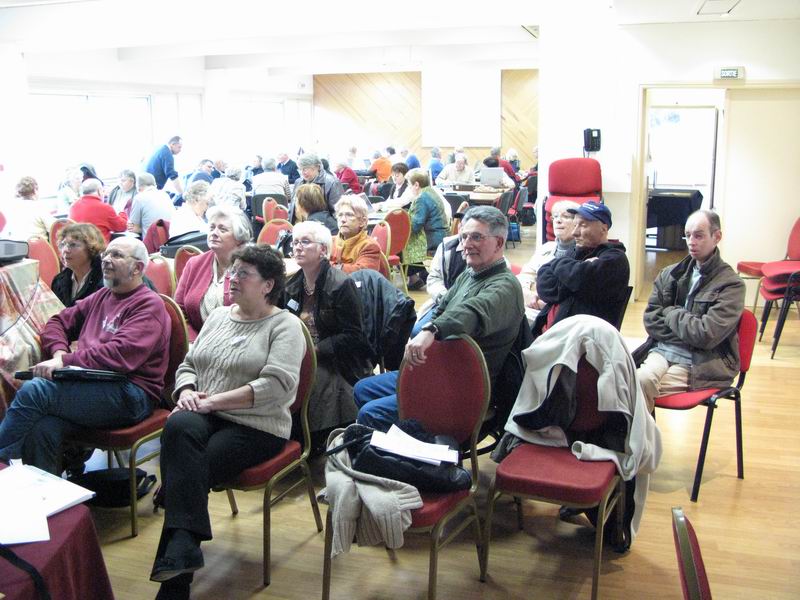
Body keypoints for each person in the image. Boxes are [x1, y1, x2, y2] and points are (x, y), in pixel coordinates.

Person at [150, 244, 305, 598]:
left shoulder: (285, 325)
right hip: (207, 413)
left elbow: (276, 386)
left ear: (268, 285)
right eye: (232, 272)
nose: (232, 279)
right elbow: (189, 365)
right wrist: (186, 391)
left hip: (258, 426)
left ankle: (174, 585)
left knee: (186, 470)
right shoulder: (219, 316)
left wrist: (212, 402)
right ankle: (183, 550)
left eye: (243, 274)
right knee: (177, 425)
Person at [0, 237, 169, 475]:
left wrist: (65, 361)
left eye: (117, 255)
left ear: (137, 268)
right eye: (106, 254)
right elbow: (57, 322)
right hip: (92, 381)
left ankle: (1, 461)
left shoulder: (148, 305)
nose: (106, 260)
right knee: (43, 427)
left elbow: (120, 355)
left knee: (36, 390)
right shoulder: (103, 295)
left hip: (131, 392)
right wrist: (59, 352)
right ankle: (47, 494)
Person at [354, 206, 525, 431]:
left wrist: (431, 330)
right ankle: (395, 444)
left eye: (476, 237)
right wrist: (431, 325)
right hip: (437, 371)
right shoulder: (471, 274)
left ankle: (412, 448)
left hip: (462, 388)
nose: (466, 244)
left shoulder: (505, 287)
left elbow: (471, 312)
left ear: (499, 243)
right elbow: (441, 307)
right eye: (464, 236)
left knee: (371, 413)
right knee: (362, 389)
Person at [635, 209, 745, 412]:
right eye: (687, 235)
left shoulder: (731, 284)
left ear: (717, 237)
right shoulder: (669, 274)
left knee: (634, 388)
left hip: (703, 362)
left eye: (699, 236)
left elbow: (706, 335)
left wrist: (671, 312)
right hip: (662, 351)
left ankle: (640, 434)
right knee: (635, 382)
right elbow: (651, 321)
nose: (691, 242)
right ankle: (644, 434)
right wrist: (688, 332)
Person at [284, 221, 373, 436]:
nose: (298, 247)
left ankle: (311, 438)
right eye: (295, 242)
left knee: (306, 379)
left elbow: (354, 336)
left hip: (337, 360)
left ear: (323, 250)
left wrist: (315, 350)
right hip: (300, 352)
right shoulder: (291, 284)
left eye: (305, 242)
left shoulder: (341, 285)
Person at [532, 201, 630, 338]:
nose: (574, 232)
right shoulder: (576, 252)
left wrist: (558, 267)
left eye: (583, 225)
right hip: (549, 331)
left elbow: (579, 278)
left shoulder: (615, 259)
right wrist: (572, 270)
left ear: (604, 228)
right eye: (575, 225)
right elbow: (545, 289)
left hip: (579, 339)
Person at [174, 205, 252, 341]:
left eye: (222, 229)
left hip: (237, 343)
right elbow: (179, 311)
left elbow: (255, 316)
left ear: (239, 238)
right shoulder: (194, 264)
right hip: (196, 343)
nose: (214, 233)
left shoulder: (251, 267)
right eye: (211, 228)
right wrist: (193, 341)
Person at [517, 199, 579, 313]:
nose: (558, 221)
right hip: (530, 306)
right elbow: (525, 275)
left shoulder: (584, 254)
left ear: (578, 222)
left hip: (556, 314)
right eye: (555, 216)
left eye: (566, 216)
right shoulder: (546, 248)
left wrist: (541, 300)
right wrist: (526, 293)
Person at [404, 171, 449, 290]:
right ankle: (423, 273)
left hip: (432, 238)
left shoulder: (421, 198)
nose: (409, 188)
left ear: (416, 185)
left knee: (399, 244)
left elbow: (416, 225)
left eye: (409, 185)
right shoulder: (431, 192)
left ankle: (414, 279)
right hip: (440, 234)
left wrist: (402, 224)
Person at [50, 222, 105, 307]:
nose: (65, 250)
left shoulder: (104, 282)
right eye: (62, 245)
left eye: (73, 245)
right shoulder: (59, 281)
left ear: (91, 248)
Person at [330, 194, 382, 273]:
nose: (343, 220)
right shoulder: (329, 242)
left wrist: (327, 267)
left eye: (349, 215)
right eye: (340, 215)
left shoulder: (369, 246)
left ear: (362, 221)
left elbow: (362, 274)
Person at [69, 178, 128, 242]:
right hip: (99, 247)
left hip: (78, 247)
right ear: (99, 190)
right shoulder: (105, 208)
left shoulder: (72, 207)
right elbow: (122, 227)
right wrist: (122, 212)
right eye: (103, 191)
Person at [291, 153, 343, 219]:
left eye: (305, 169)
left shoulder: (332, 183)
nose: (302, 173)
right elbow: (292, 207)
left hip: (320, 223)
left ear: (318, 167)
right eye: (300, 169)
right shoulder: (298, 182)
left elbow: (338, 211)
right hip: (298, 223)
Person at [3, 176, 55, 242]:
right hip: (37, 247)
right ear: (35, 190)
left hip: (17, 247)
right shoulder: (39, 207)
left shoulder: (11, 208)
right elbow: (54, 228)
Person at [127, 172, 174, 237]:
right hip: (171, 239)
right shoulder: (165, 195)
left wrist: (141, 228)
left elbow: (133, 228)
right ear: (155, 185)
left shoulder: (139, 198)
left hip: (152, 241)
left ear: (138, 188)